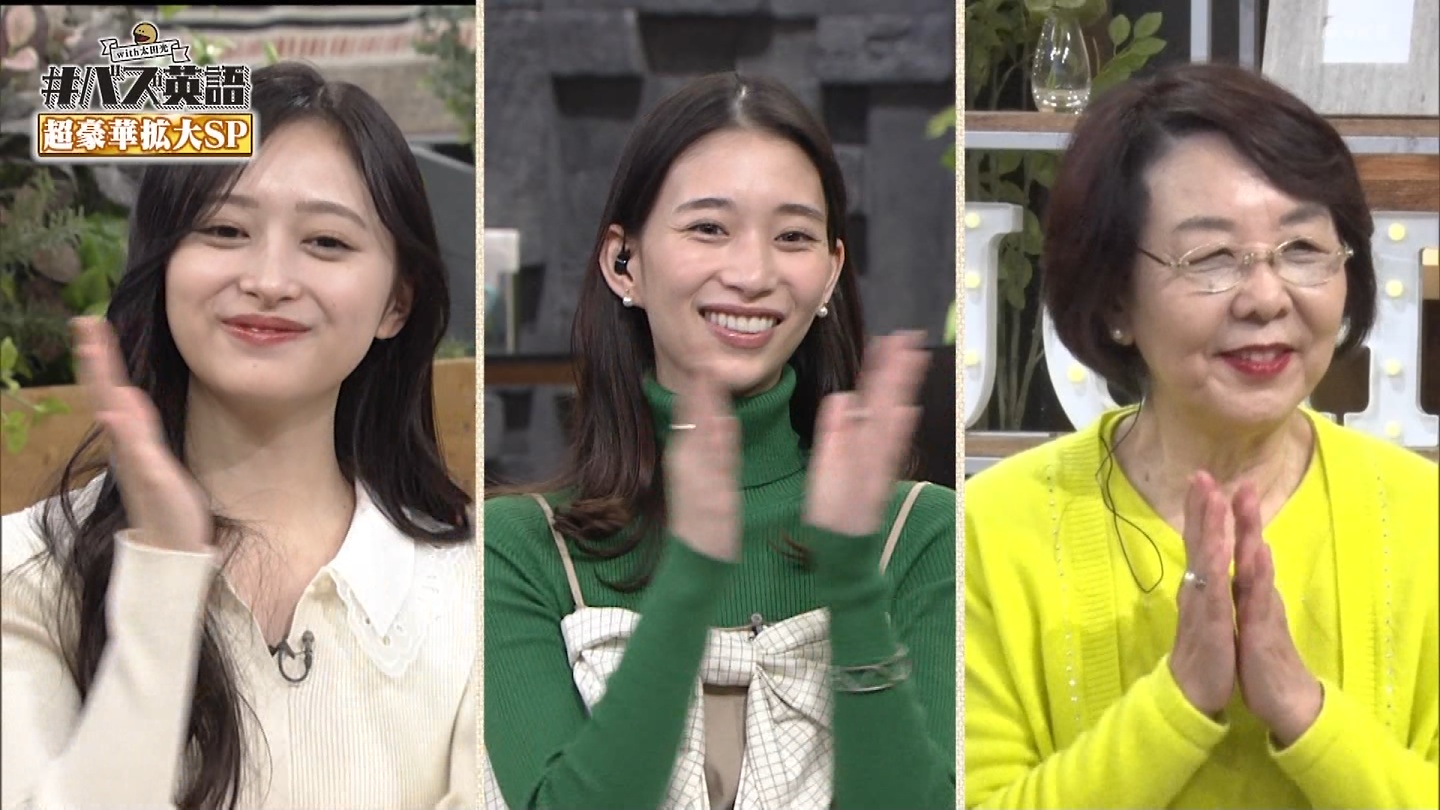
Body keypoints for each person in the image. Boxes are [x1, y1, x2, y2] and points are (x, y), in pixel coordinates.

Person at [1, 62, 476, 809]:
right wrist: (163, 571)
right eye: (225, 230)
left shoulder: (477, 582)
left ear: (397, 303)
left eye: (326, 242)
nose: (269, 279)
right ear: (162, 266)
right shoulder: (26, 574)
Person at [964, 62, 1438, 808]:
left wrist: (1304, 711)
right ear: (1115, 298)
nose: (1265, 298)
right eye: (1212, 257)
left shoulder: (1423, 516)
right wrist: (1178, 702)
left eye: (1302, 249)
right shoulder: (991, 531)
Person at [483, 72, 956, 810]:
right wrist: (691, 577)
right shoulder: (517, 549)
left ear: (830, 272)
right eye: (708, 228)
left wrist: (853, 583)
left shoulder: (922, 534)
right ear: (624, 262)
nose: (752, 274)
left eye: (793, 237)